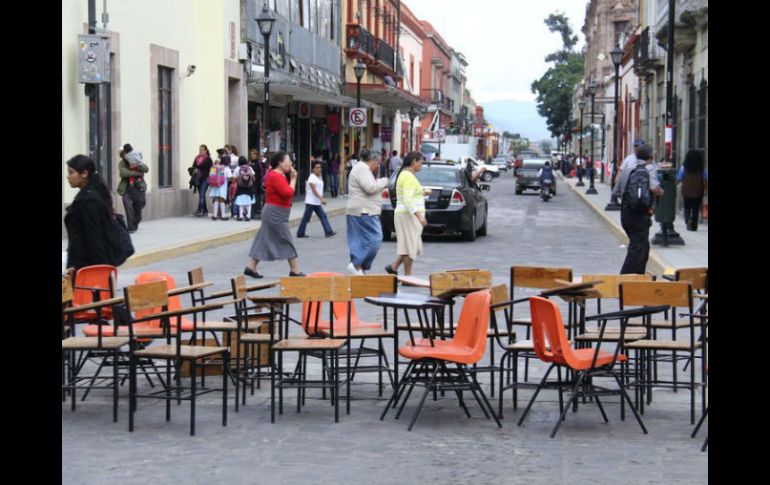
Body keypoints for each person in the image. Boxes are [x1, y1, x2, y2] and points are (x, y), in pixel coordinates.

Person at [243, 151, 305, 278]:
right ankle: (295, 269)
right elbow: (288, 193)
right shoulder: (275, 176)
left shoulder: (278, 175)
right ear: (281, 163)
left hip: (276, 211)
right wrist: (293, 179)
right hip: (275, 213)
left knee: (263, 239)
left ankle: (251, 266)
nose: (291, 163)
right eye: (288, 161)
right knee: (286, 239)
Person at [64, 155, 118, 270]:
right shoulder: (89, 194)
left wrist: (101, 270)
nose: (67, 177)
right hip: (85, 264)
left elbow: (94, 237)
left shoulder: (89, 201)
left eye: (71, 172)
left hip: (88, 267)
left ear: (84, 173)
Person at [617, 144, 664, 274]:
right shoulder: (649, 170)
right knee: (637, 249)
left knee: (642, 247)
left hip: (626, 213)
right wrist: (661, 192)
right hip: (640, 214)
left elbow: (617, 190)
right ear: (650, 156)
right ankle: (624, 281)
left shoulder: (628, 169)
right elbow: (655, 188)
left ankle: (638, 278)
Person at [345, 148, 389, 275]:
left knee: (359, 240)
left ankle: (359, 267)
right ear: (373, 160)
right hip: (364, 210)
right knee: (375, 238)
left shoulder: (361, 169)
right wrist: (384, 181)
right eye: (377, 163)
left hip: (360, 210)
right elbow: (370, 188)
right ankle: (356, 264)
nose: (377, 166)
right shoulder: (362, 169)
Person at [385, 151, 428, 276]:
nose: (421, 165)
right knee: (409, 246)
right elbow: (408, 199)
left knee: (410, 245)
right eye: (421, 163)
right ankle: (408, 276)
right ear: (414, 162)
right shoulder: (408, 176)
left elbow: (409, 194)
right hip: (407, 215)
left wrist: (423, 192)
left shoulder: (405, 175)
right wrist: (419, 216)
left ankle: (394, 266)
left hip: (405, 214)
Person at [296, 161, 336, 238]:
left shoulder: (319, 177)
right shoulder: (311, 177)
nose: (319, 169)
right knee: (306, 218)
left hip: (316, 202)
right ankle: (300, 233)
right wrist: (322, 199)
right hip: (311, 202)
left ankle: (328, 231)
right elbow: (314, 190)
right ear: (313, 169)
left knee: (323, 216)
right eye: (317, 168)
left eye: (320, 167)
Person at [117, 143, 148, 233]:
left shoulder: (137, 160)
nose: (125, 155)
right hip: (127, 188)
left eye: (125, 153)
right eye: (123, 154)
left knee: (140, 203)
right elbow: (123, 173)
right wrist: (137, 173)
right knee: (128, 206)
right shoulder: (122, 163)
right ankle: (130, 227)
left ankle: (136, 219)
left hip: (139, 187)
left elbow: (146, 169)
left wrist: (137, 166)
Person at [678, 149, 708, 231]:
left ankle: (688, 220)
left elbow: (680, 178)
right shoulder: (702, 169)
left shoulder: (683, 168)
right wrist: (705, 190)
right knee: (696, 208)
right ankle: (694, 225)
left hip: (686, 191)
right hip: (698, 192)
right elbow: (705, 180)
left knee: (687, 207)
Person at [208, 149, 232, 221]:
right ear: (228, 162)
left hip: (215, 185)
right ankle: (223, 216)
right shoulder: (227, 168)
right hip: (222, 186)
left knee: (216, 200)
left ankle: (214, 215)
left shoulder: (216, 166)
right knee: (222, 200)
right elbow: (230, 178)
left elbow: (211, 175)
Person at [190, 144, 213, 217]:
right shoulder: (196, 158)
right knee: (201, 195)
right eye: (199, 149)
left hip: (206, 179)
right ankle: (205, 210)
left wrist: (212, 179)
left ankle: (200, 210)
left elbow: (212, 170)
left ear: (205, 151)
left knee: (202, 194)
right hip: (198, 179)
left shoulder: (208, 159)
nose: (200, 151)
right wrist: (194, 170)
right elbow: (193, 166)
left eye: (202, 150)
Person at [233, 156, 257, 221]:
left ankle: (241, 216)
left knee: (241, 202)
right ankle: (248, 216)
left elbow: (234, 179)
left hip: (240, 187)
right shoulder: (250, 168)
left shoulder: (237, 168)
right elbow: (254, 179)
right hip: (249, 188)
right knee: (248, 202)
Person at [248, 148, 264, 219]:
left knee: (257, 197)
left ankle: (257, 211)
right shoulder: (249, 163)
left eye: (253, 154)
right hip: (250, 182)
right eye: (251, 154)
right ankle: (252, 212)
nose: (252, 156)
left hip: (258, 182)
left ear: (257, 155)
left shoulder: (259, 163)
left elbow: (262, 172)